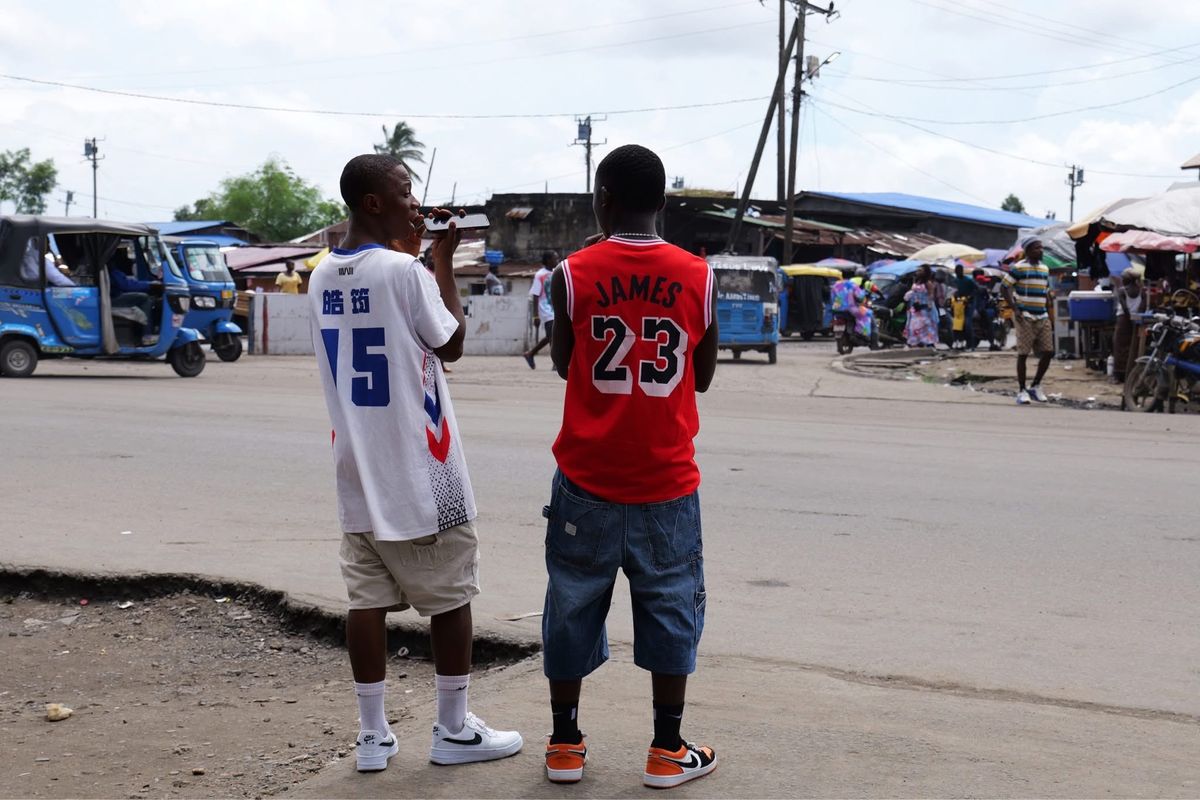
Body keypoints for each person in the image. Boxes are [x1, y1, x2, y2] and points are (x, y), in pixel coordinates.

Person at [308, 154, 522, 774]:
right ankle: (452, 726)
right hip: (423, 471)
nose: (414, 203)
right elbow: (450, 342)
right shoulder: (406, 271)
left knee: (366, 601)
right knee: (451, 597)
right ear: (372, 203)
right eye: (404, 192)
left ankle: (372, 736)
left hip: (357, 470)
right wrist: (442, 262)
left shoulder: (323, 275)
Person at [541, 144, 719, 789]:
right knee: (671, 605)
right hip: (666, 481)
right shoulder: (697, 276)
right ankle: (666, 750)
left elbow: (565, 363)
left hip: (585, 479)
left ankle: (565, 745)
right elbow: (701, 376)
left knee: (570, 603)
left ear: (602, 198)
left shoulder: (572, 272)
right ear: (662, 202)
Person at [1002, 236, 1055, 404]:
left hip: (1042, 315)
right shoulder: (1018, 268)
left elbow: (1046, 292)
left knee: (1048, 351)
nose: (1040, 251)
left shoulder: (1045, 269)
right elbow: (1005, 287)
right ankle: (1021, 390)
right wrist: (1015, 308)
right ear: (1028, 250)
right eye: (1036, 248)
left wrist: (1050, 313)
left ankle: (1036, 385)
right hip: (1025, 316)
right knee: (1023, 353)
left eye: (1041, 248)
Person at [522, 250, 558, 369]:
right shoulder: (540, 275)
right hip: (546, 309)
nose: (557, 261)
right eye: (555, 258)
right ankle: (555, 363)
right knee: (553, 335)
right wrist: (536, 316)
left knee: (551, 336)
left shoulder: (556, 272)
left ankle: (530, 353)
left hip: (555, 308)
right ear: (548, 260)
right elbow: (535, 295)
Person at [1113, 266, 1146, 383]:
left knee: (1120, 346)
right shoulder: (1142, 291)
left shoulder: (1122, 291)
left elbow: (1124, 307)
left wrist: (1130, 318)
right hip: (1137, 320)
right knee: (1135, 346)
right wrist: (1136, 318)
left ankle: (1119, 374)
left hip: (1123, 320)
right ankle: (1132, 373)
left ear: (1126, 280)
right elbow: (1143, 307)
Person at [903, 265, 939, 347]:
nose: (918, 272)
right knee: (914, 327)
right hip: (915, 309)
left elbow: (931, 296)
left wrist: (926, 306)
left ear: (925, 272)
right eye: (918, 270)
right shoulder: (916, 281)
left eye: (920, 270)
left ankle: (929, 345)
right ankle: (916, 344)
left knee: (925, 328)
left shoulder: (928, 283)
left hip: (924, 310)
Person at [954, 263, 978, 350]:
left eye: (959, 271)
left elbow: (976, 289)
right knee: (958, 323)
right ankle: (959, 342)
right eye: (956, 271)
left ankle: (971, 344)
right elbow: (955, 291)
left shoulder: (968, 280)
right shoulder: (955, 280)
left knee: (967, 323)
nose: (958, 273)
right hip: (960, 303)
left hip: (970, 303)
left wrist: (970, 297)